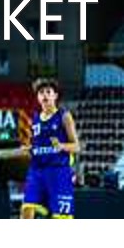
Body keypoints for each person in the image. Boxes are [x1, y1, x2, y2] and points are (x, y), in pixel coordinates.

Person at [20, 78, 80, 219]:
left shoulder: (64, 116)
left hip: (58, 172)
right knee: (26, 210)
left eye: (48, 92)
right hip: (37, 172)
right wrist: (30, 149)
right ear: (37, 97)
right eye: (41, 92)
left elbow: (77, 146)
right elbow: (38, 146)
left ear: (55, 96)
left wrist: (61, 146)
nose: (45, 95)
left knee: (60, 218)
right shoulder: (34, 119)